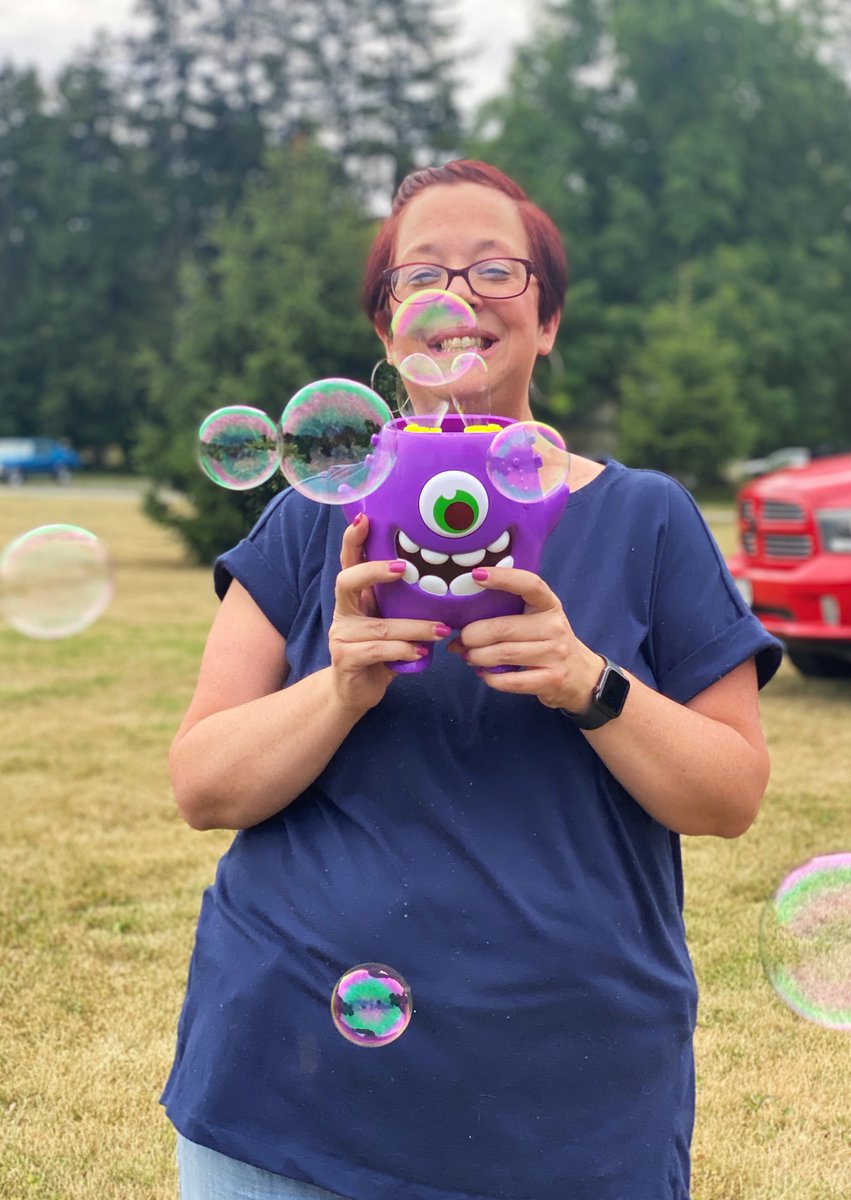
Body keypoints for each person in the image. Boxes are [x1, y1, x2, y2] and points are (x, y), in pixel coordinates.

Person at [161, 159, 782, 1200]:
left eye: (496, 269)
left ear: (546, 322)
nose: (457, 295)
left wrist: (592, 684)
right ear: (384, 329)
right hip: (290, 1088)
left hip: (567, 1108)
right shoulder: (315, 517)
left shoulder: (646, 518)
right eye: (421, 275)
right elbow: (202, 784)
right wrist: (339, 689)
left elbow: (729, 796)